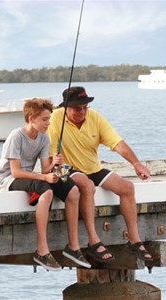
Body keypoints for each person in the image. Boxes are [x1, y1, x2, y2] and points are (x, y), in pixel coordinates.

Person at [47, 87, 152, 263]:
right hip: (63, 168)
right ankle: (93, 241)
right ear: (65, 108)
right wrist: (57, 166)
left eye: (84, 107)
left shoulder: (94, 117)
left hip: (92, 167)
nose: (82, 112)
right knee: (86, 185)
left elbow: (117, 143)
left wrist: (136, 163)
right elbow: (50, 158)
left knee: (127, 188)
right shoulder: (55, 119)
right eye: (77, 108)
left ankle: (134, 240)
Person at [0, 98, 91, 271]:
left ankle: (73, 247)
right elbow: (15, 172)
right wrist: (44, 178)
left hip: (32, 176)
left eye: (49, 119)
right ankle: (42, 251)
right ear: (31, 118)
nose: (49, 123)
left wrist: (54, 163)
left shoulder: (43, 138)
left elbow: (45, 169)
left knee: (73, 191)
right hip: (10, 178)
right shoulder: (16, 136)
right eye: (45, 119)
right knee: (46, 192)